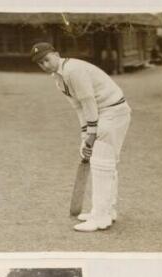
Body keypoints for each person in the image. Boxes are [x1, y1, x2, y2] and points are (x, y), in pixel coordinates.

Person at [30, 42, 131, 232]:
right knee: (104, 163)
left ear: (56, 54)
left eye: (46, 59)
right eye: (40, 63)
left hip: (113, 111)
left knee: (102, 163)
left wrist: (92, 135)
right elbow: (79, 107)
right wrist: (85, 135)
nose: (45, 65)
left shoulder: (72, 70)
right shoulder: (58, 78)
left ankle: (101, 217)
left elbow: (88, 101)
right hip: (103, 113)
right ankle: (106, 211)